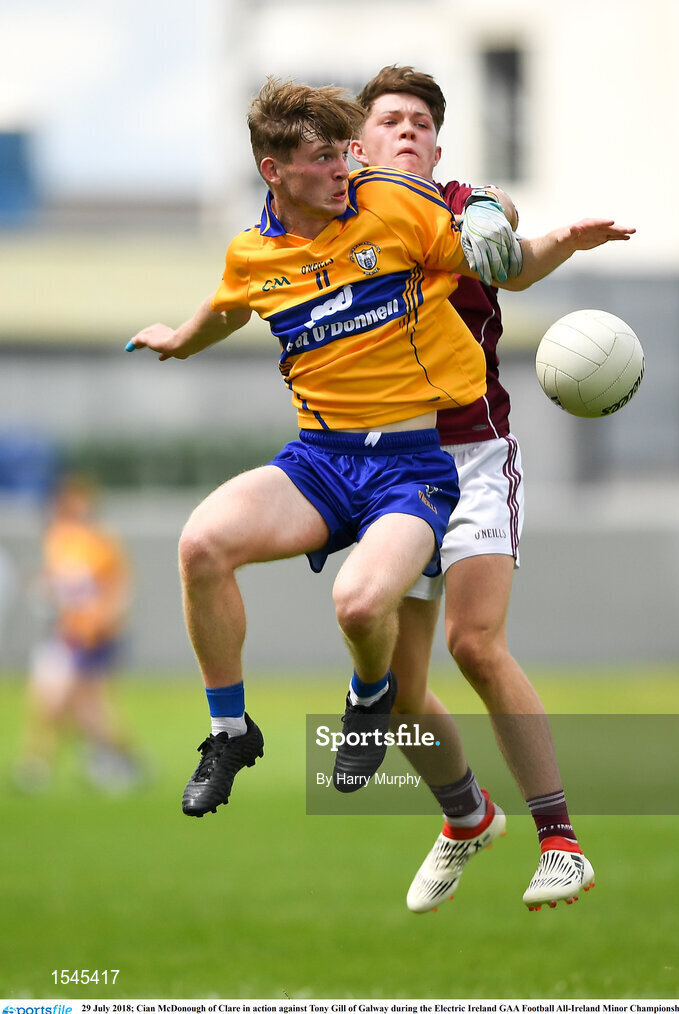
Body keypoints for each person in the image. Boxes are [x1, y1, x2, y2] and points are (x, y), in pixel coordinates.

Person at [126, 78, 553, 827]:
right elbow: (228, 306)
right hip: (319, 461)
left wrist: (516, 219)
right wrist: (179, 339)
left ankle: (368, 699)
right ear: (274, 171)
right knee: (200, 545)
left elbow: (492, 245)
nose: (341, 169)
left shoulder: (391, 204)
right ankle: (230, 733)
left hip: (414, 469)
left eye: (344, 153)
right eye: (323, 158)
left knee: (358, 605)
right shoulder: (255, 251)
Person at [351, 64, 635, 912]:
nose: (406, 129)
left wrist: (555, 243)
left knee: (475, 645)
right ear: (357, 144)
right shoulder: (340, 222)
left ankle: (560, 842)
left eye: (420, 122)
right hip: (389, 467)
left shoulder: (463, 203)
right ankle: (465, 816)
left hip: (473, 457)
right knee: (400, 691)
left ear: (438, 144)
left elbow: (503, 248)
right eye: (390, 119)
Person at [15, 474, 140, 792]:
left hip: (93, 636)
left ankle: (112, 760)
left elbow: (118, 590)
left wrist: (103, 622)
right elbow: (56, 583)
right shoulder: (59, 538)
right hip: (67, 634)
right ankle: (95, 760)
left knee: (79, 705)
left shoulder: (101, 543)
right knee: (60, 702)